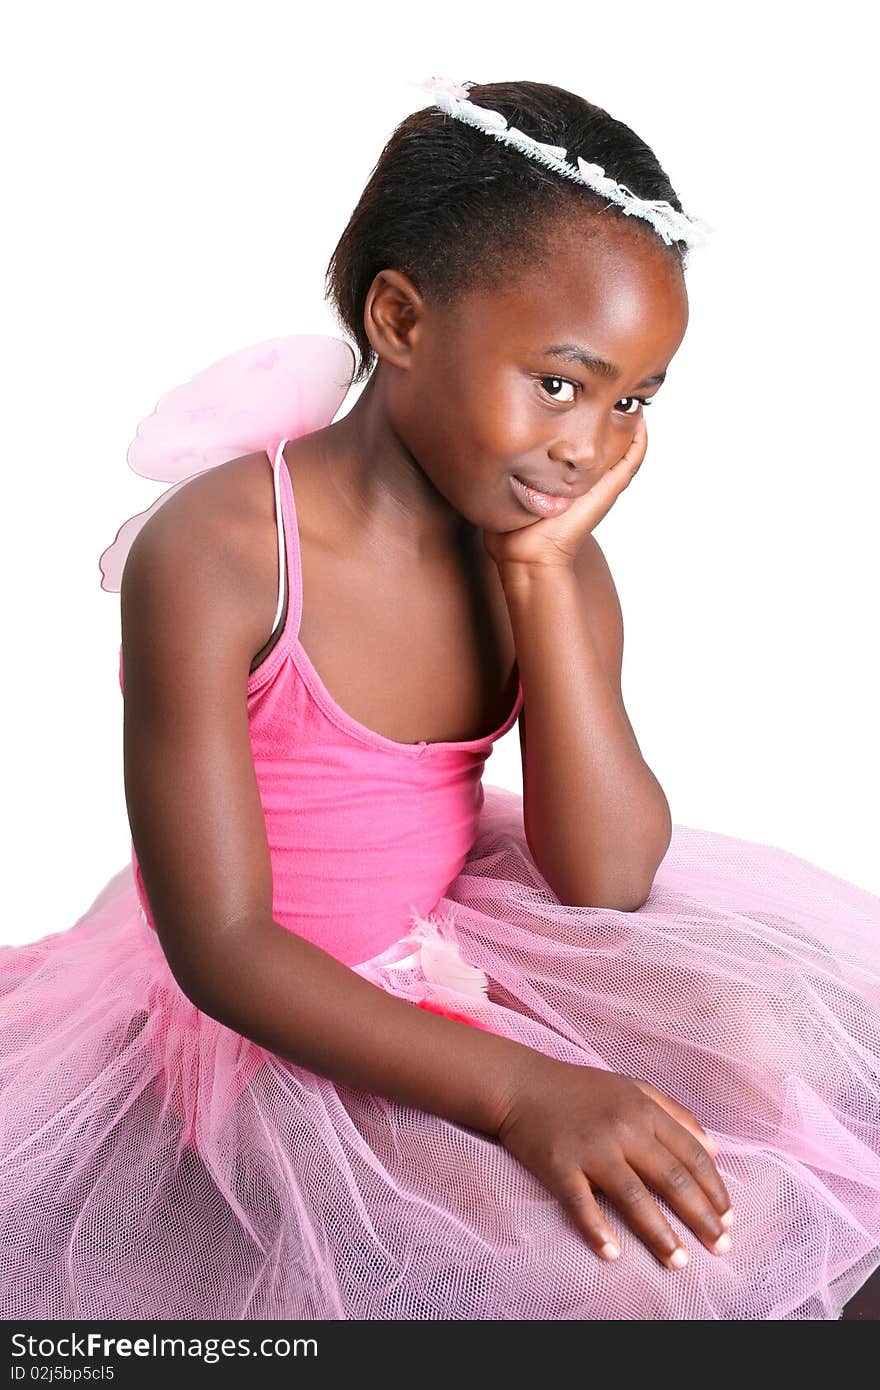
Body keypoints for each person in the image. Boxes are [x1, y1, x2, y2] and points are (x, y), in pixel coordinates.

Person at [2, 75, 878, 1321]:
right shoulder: (223, 551)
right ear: (403, 319)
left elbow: (606, 880)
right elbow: (224, 949)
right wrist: (525, 1091)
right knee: (631, 1269)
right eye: (561, 382)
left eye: (631, 400)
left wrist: (543, 579)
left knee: (784, 1040)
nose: (586, 444)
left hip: (466, 932)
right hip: (286, 1018)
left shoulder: (536, 542)